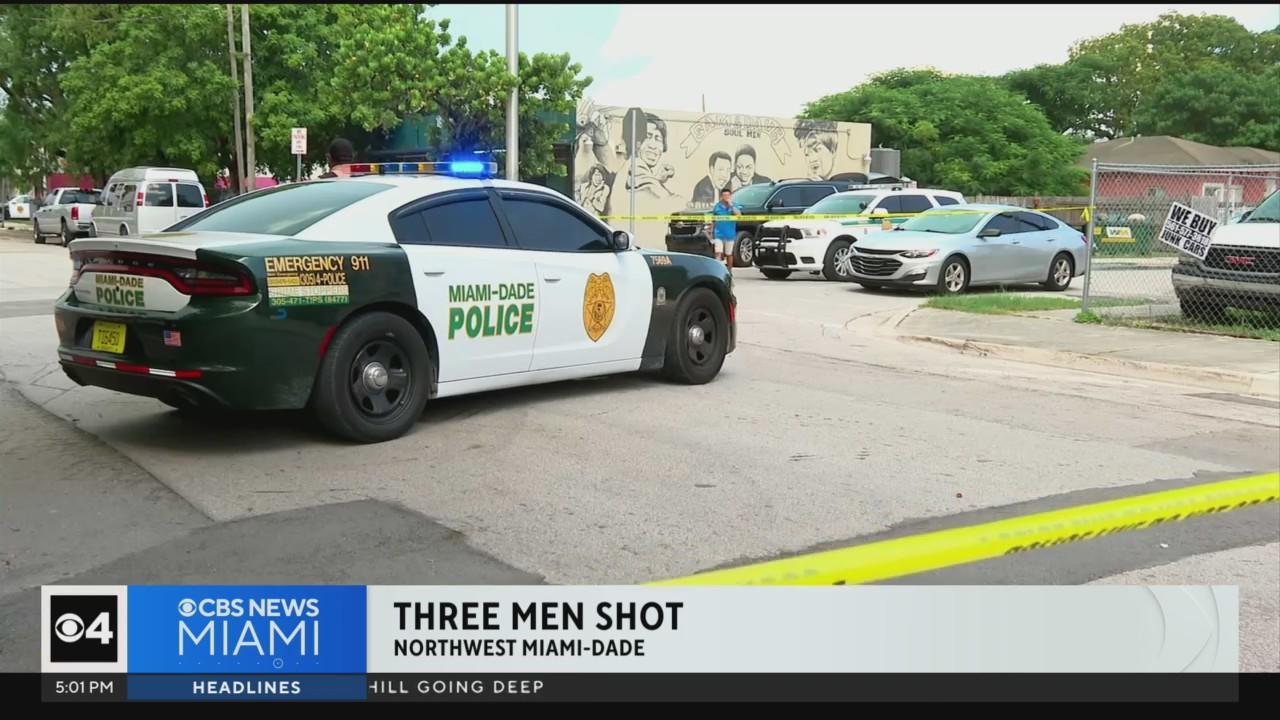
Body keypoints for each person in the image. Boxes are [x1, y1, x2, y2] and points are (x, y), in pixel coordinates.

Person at [710, 188, 742, 269]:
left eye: (728, 195)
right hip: (719, 234)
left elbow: (738, 215)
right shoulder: (717, 206)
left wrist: (731, 205)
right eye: (724, 195)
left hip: (730, 234)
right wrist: (711, 232)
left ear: (730, 196)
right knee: (718, 252)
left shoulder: (734, 205)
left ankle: (729, 271)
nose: (726, 197)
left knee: (729, 254)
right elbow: (713, 220)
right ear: (721, 196)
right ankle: (718, 270)